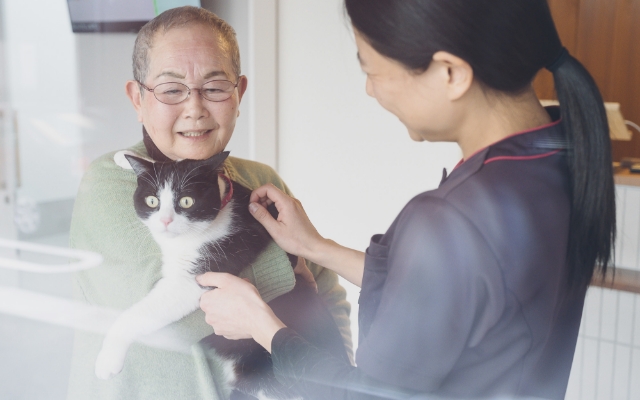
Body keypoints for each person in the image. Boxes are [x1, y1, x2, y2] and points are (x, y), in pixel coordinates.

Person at [197, 0, 616, 399]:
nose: (370, 90)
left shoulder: (451, 217)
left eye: (373, 70)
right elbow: (462, 293)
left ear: (451, 72)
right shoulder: (559, 155)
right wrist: (316, 248)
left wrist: (261, 324)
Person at [66, 7, 352, 400]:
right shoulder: (109, 182)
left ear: (239, 94)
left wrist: (338, 382)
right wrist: (287, 266)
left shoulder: (262, 180)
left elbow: (326, 294)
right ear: (137, 98)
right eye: (171, 89)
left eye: (215, 87)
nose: (195, 108)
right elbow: (174, 318)